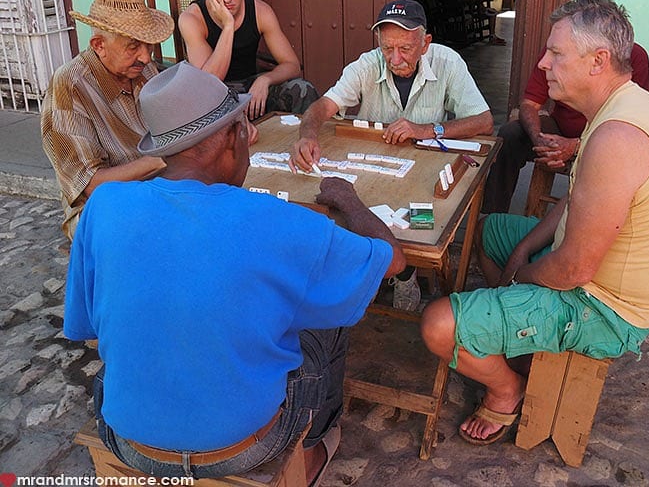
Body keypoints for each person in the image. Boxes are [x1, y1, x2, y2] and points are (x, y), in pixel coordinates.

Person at [63, 62, 406, 482]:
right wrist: (349, 201)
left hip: (127, 436)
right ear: (233, 135)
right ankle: (313, 446)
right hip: (242, 446)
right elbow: (392, 262)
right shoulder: (276, 220)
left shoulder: (105, 205)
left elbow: (86, 325)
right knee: (331, 310)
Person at [421, 0, 649, 445]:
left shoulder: (618, 136)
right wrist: (527, 246)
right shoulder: (617, 108)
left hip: (608, 309)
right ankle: (515, 333)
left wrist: (520, 276)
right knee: (491, 231)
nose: (544, 62)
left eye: (556, 53)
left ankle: (507, 388)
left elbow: (573, 270)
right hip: (594, 275)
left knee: (437, 324)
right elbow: (576, 206)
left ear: (598, 61)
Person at [290, 0, 494, 312]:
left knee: (421, 221)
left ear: (425, 43)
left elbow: (483, 121)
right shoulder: (366, 64)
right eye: (387, 48)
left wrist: (428, 129)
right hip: (374, 167)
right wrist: (307, 134)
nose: (395, 58)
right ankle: (377, 271)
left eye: (405, 49)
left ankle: (405, 273)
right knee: (352, 207)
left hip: (424, 164)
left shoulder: (448, 61)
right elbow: (322, 108)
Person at [41, 0, 174, 239]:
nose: (146, 57)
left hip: (154, 185)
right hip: (102, 209)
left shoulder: (143, 69)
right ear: (99, 45)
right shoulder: (70, 86)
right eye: (134, 46)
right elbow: (91, 185)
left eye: (150, 46)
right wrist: (167, 158)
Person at [481, 42, 649, 214]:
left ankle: (587, 221)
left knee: (614, 153)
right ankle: (490, 217)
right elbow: (529, 104)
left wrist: (577, 145)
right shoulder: (560, 48)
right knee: (511, 135)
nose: (544, 63)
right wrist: (538, 139)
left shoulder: (634, 56)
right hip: (561, 126)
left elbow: (633, 125)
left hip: (607, 138)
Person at [179, 0, 317, 120]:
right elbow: (210, 81)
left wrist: (265, 80)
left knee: (303, 90)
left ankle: (304, 144)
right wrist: (228, 25)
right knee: (206, 107)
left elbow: (292, 65)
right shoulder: (192, 18)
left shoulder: (260, 12)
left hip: (251, 87)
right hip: (215, 95)